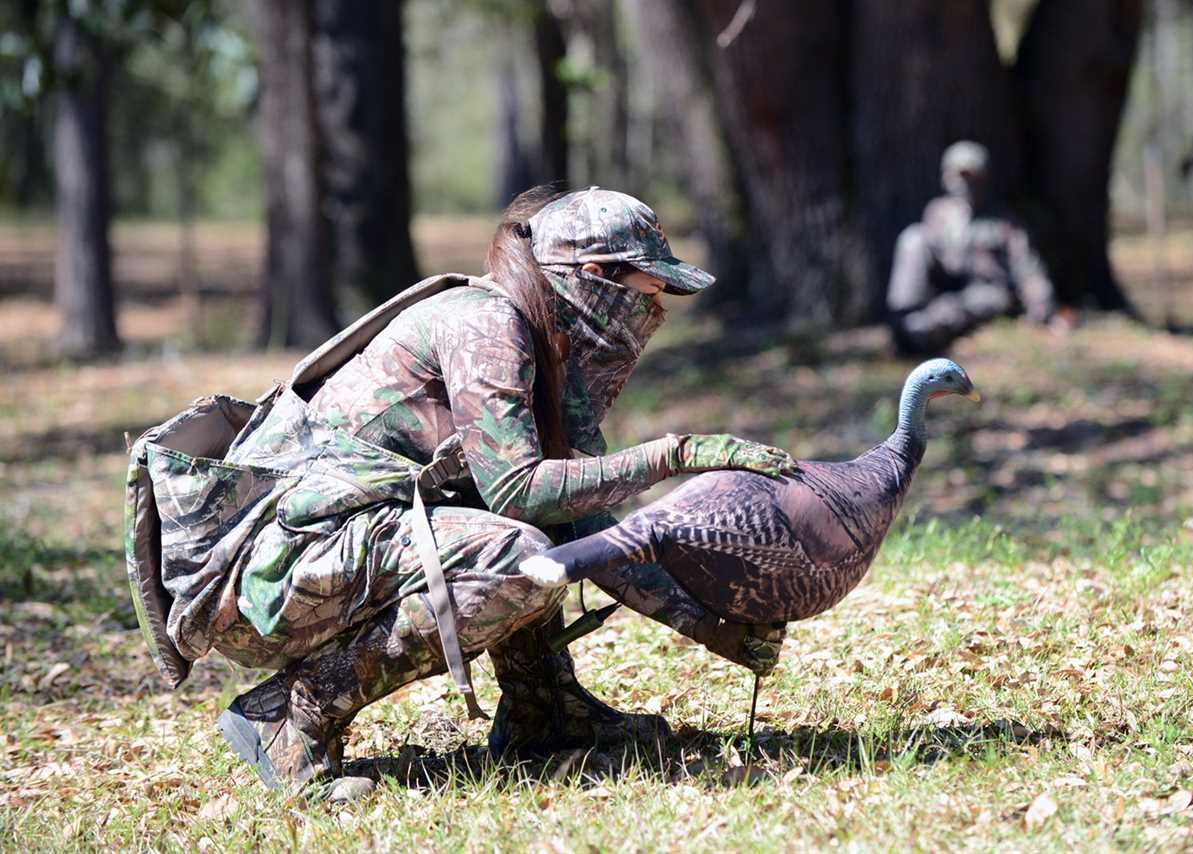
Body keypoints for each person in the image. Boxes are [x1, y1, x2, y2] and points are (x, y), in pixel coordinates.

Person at [187, 186, 792, 798]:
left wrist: (712, 621)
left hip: (330, 555)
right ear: (594, 277)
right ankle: (292, 715)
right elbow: (519, 491)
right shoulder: (488, 325)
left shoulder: (534, 334)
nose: (656, 310)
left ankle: (545, 716)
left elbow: (583, 521)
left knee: (537, 535)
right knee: (516, 555)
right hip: (273, 574)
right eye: (649, 289)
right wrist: (676, 456)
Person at [886, 141, 1059, 355]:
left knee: (966, 305)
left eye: (970, 176)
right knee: (913, 238)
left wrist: (1041, 306)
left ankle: (927, 333)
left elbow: (1028, 269)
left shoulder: (1003, 222)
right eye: (957, 175)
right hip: (942, 288)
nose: (963, 183)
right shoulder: (937, 213)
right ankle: (904, 319)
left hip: (987, 293)